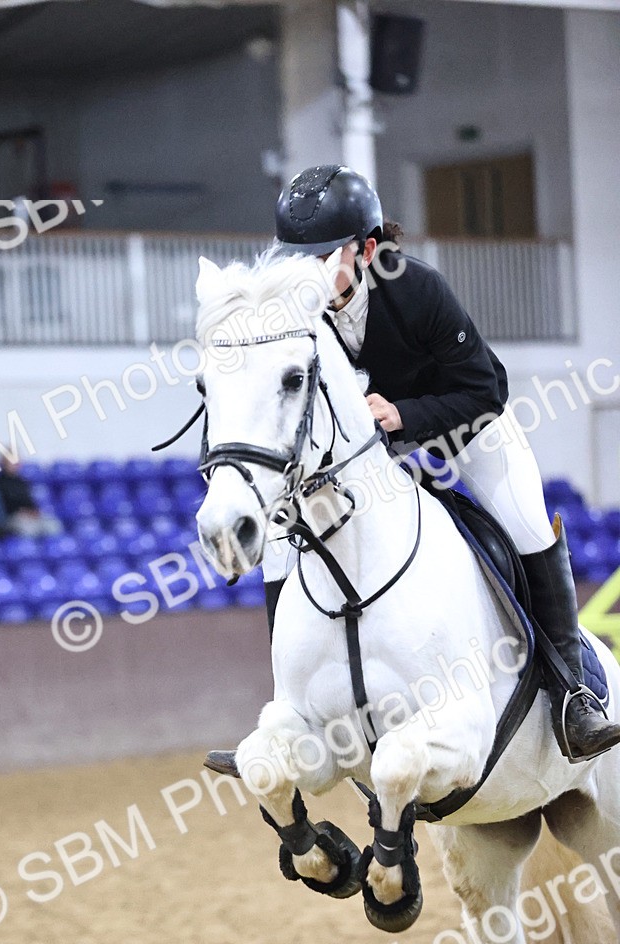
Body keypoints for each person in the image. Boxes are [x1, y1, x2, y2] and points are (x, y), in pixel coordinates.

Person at [207, 164, 620, 771]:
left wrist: (403, 414)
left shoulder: (416, 289)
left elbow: (487, 388)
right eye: (296, 256)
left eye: (324, 255)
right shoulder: (293, 315)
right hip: (368, 457)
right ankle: (290, 714)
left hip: (464, 431)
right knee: (277, 543)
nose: (306, 271)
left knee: (528, 520)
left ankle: (574, 693)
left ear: (368, 249)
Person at [0, 456, 62, 537]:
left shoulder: (22, 481)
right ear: (3, 462)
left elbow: (30, 501)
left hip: (29, 516)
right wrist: (20, 511)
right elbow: (1, 506)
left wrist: (34, 511)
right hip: (11, 517)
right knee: (28, 530)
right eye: (11, 461)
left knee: (53, 525)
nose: (15, 464)